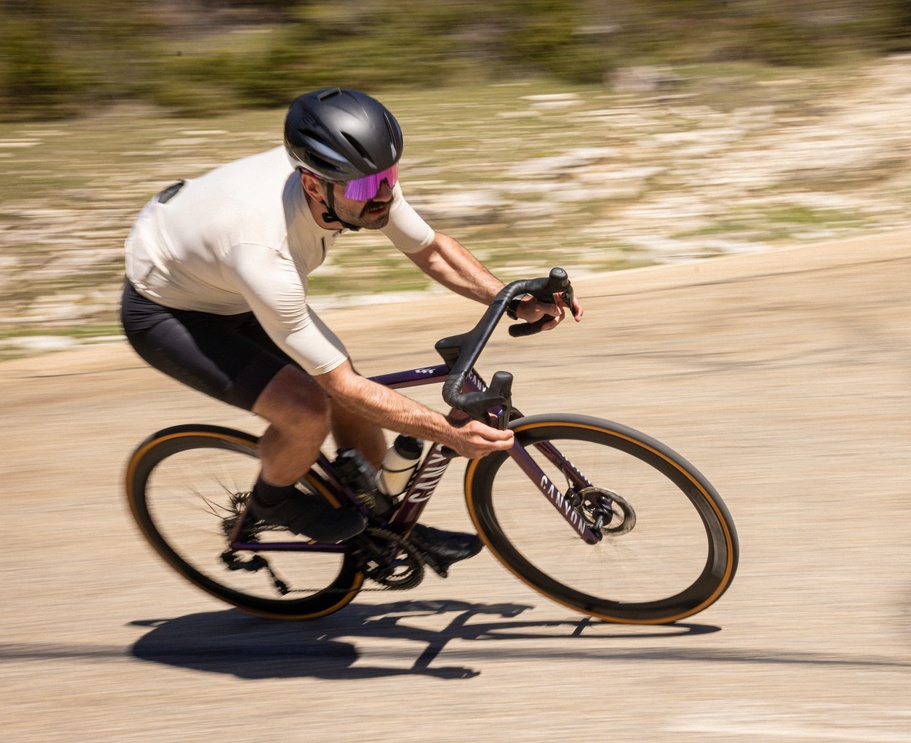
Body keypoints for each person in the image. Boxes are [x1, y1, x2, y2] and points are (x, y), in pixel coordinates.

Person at [120, 87, 582, 568]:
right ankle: (271, 501)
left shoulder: (361, 179)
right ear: (314, 185)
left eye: (388, 176)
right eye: (365, 187)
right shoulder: (263, 247)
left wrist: (514, 299)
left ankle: (385, 527)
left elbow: (430, 250)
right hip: (169, 309)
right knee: (309, 408)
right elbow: (340, 385)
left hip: (224, 276)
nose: (382, 193)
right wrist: (447, 432)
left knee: (353, 395)